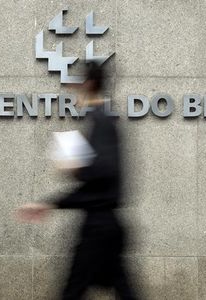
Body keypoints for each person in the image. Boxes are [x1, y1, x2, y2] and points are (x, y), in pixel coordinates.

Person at [17, 62, 138, 300]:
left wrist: (76, 167)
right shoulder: (102, 120)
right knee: (122, 290)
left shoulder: (101, 120)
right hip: (105, 225)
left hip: (98, 228)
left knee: (73, 292)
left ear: (89, 84)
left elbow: (104, 173)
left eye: (78, 84)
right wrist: (50, 203)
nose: (73, 92)